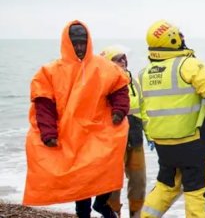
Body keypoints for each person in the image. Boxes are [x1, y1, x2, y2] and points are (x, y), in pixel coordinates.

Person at [138, 20, 205, 218]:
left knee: (166, 185)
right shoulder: (188, 65)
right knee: (197, 190)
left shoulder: (145, 73)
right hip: (192, 143)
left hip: (164, 144)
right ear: (173, 39)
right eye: (179, 34)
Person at [24, 21, 129, 218]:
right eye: (75, 43)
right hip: (69, 134)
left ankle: (102, 204)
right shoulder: (50, 71)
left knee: (107, 169)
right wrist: (48, 133)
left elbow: (120, 89)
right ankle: (83, 213)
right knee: (79, 178)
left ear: (89, 42)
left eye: (83, 42)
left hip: (99, 130)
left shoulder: (105, 67)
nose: (79, 47)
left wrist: (119, 111)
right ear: (66, 43)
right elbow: (43, 105)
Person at [101, 46, 147, 218]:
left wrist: (150, 134)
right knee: (112, 182)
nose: (122, 62)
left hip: (135, 137)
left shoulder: (134, 82)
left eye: (124, 58)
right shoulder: (103, 84)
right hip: (113, 138)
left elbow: (143, 109)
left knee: (139, 180)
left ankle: (136, 214)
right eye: (117, 59)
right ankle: (113, 214)